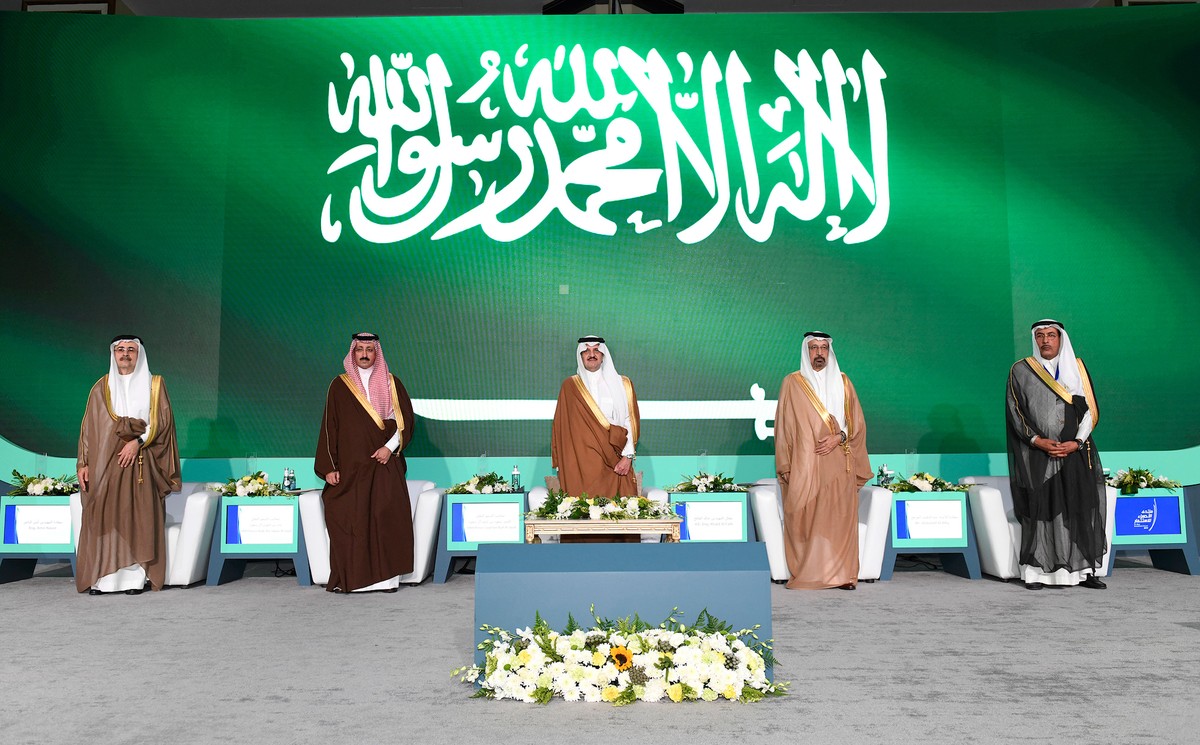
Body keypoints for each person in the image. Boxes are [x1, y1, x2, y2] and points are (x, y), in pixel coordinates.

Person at [75, 336, 180, 595]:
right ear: (113, 354)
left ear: (139, 354)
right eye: (120, 349)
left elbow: (162, 423)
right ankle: (102, 580)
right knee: (105, 517)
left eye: (131, 349)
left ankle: (134, 580)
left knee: (137, 518)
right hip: (105, 466)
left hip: (141, 463)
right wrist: (83, 462)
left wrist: (137, 442)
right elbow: (88, 428)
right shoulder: (101, 387)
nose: (125, 354)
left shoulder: (155, 385)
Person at [1006, 319, 1106, 590]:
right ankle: (1036, 574)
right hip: (1038, 455)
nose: (1045, 340)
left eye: (1051, 335)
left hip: (1075, 452)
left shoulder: (1078, 368)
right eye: (1040, 336)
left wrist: (1077, 442)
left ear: (1061, 339)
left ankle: (1083, 572)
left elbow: (1090, 412)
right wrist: (1037, 440)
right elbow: (1015, 411)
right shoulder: (1021, 370)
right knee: (1042, 510)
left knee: (1080, 508)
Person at [315, 333, 415, 593]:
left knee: (386, 518)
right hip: (351, 469)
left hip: (384, 465)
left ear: (376, 353)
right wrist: (329, 467)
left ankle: (387, 581)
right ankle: (355, 580)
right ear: (353, 352)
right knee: (348, 517)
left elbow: (404, 422)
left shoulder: (392, 383)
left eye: (370, 349)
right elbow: (330, 427)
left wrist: (388, 448)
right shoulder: (339, 385)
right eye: (360, 349)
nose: (364, 354)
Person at [774, 331, 871, 590]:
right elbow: (783, 428)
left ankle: (843, 575)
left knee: (839, 517)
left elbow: (857, 423)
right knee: (806, 517)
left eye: (824, 348)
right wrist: (786, 464)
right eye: (814, 348)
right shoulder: (792, 383)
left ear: (830, 351)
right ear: (806, 351)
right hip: (805, 465)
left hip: (838, 461)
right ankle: (810, 573)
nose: (819, 353)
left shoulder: (844, 382)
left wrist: (839, 437)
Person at [551, 336, 640, 498]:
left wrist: (627, 457)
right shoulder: (570, 386)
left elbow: (629, 422)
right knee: (582, 507)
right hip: (579, 463)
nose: (591, 354)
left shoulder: (623, 384)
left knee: (614, 508)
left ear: (603, 355)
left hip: (614, 459)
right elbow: (561, 428)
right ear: (580, 356)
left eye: (596, 350)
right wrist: (562, 464)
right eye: (586, 351)